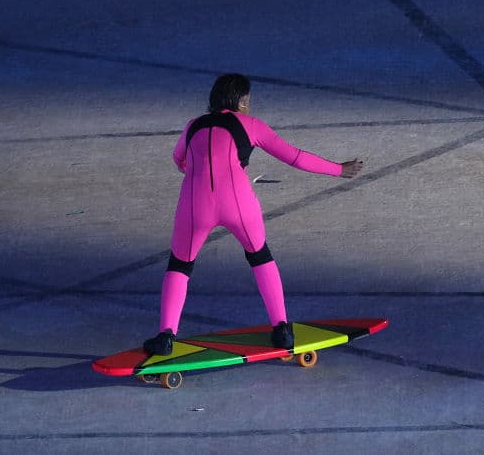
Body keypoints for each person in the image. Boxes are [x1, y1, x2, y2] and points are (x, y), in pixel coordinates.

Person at [143, 73, 363, 356]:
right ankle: (281, 329)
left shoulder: (193, 126)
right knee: (260, 256)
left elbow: (178, 159)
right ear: (237, 102)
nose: (249, 106)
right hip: (238, 203)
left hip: (194, 205)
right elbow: (294, 157)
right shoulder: (251, 125)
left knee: (180, 266)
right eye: (246, 101)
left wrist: (199, 173)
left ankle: (166, 335)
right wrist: (338, 169)